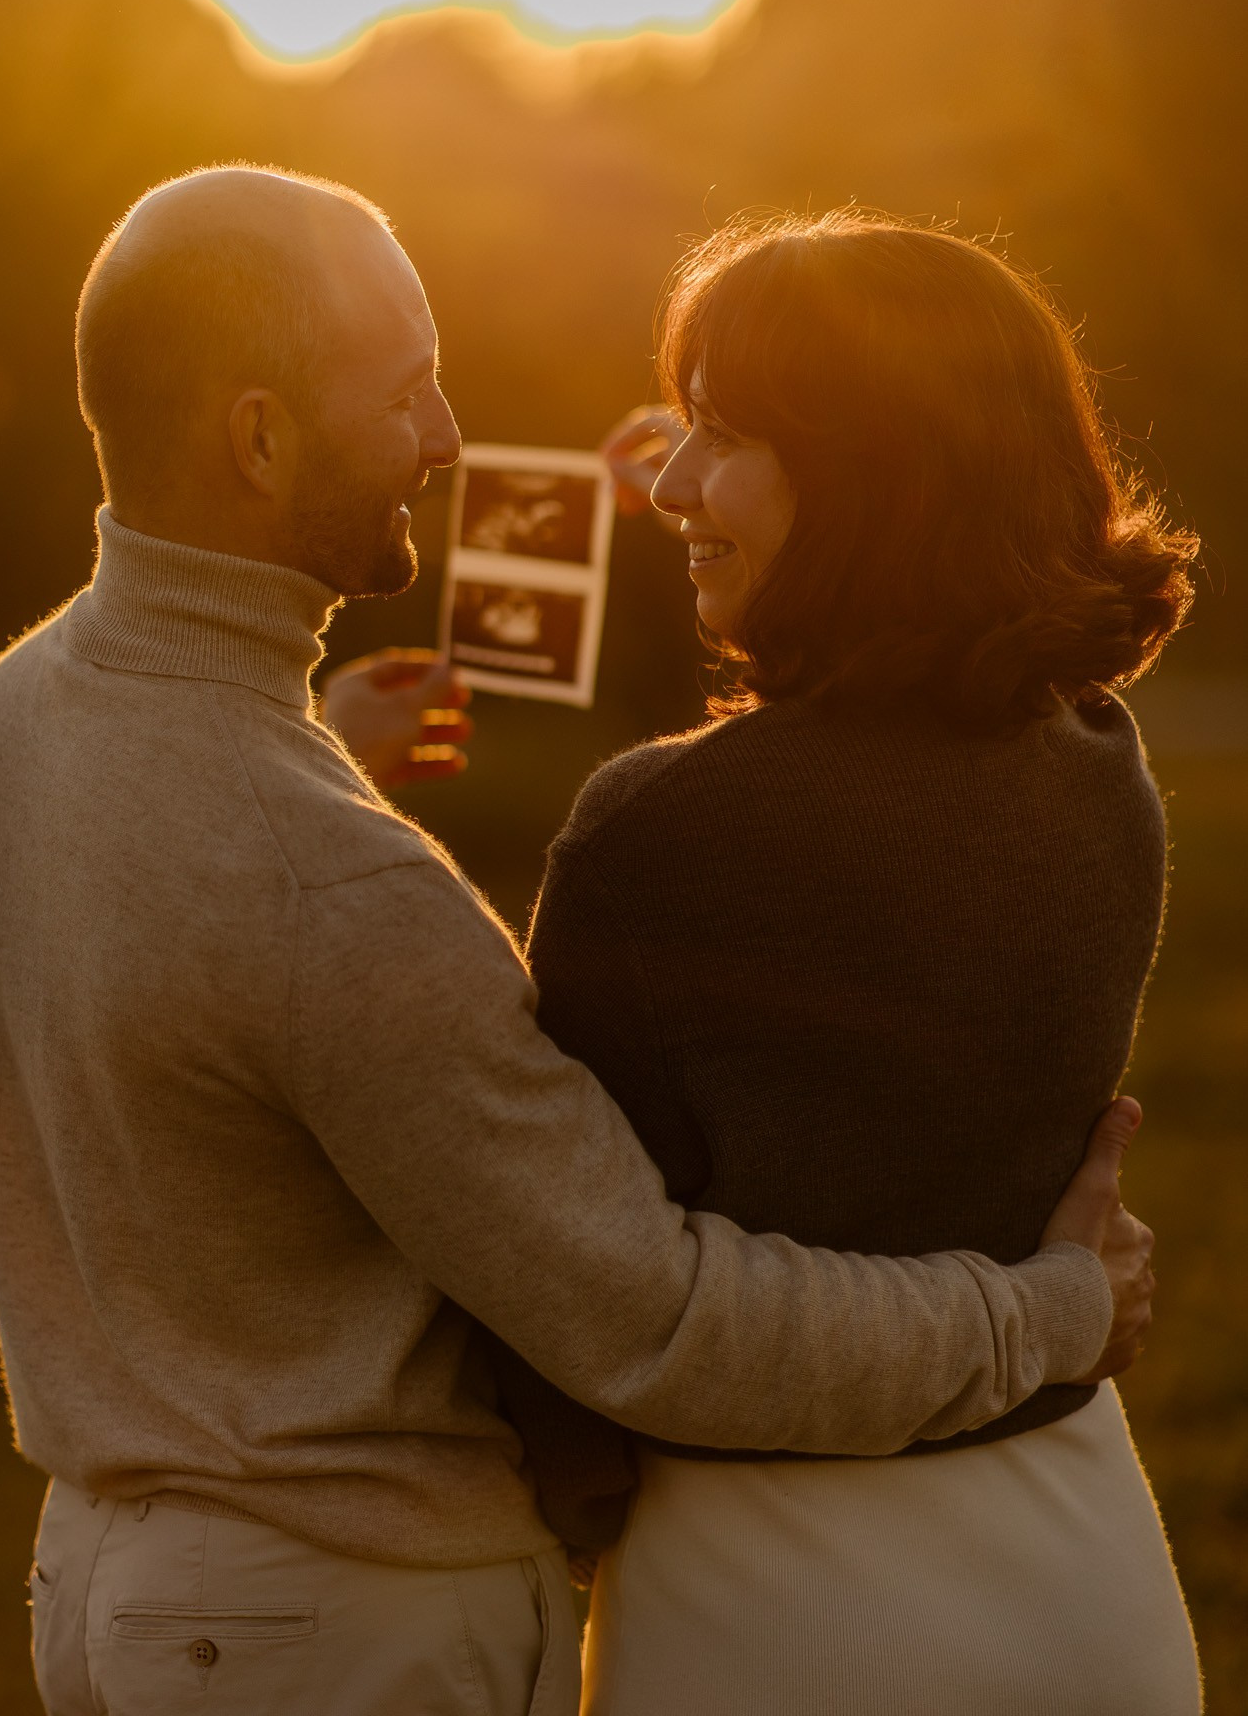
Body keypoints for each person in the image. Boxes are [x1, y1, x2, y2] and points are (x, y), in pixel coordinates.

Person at [0, 169, 1153, 1716]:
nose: (449, 438)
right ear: (258, 437)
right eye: (410, 390)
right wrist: (1047, 1308)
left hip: (107, 1578)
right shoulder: (333, 888)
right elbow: (654, 1323)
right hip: (344, 1621)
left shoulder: (11, 719)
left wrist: (307, 750)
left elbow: (206, 936)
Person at [489, 213, 1203, 1714]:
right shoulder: (1098, 765)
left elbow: (568, 1290)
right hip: (1082, 1561)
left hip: (780, 1597)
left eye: (728, 435)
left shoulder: (662, 837)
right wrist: (722, 496)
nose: (675, 480)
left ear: (878, 478)